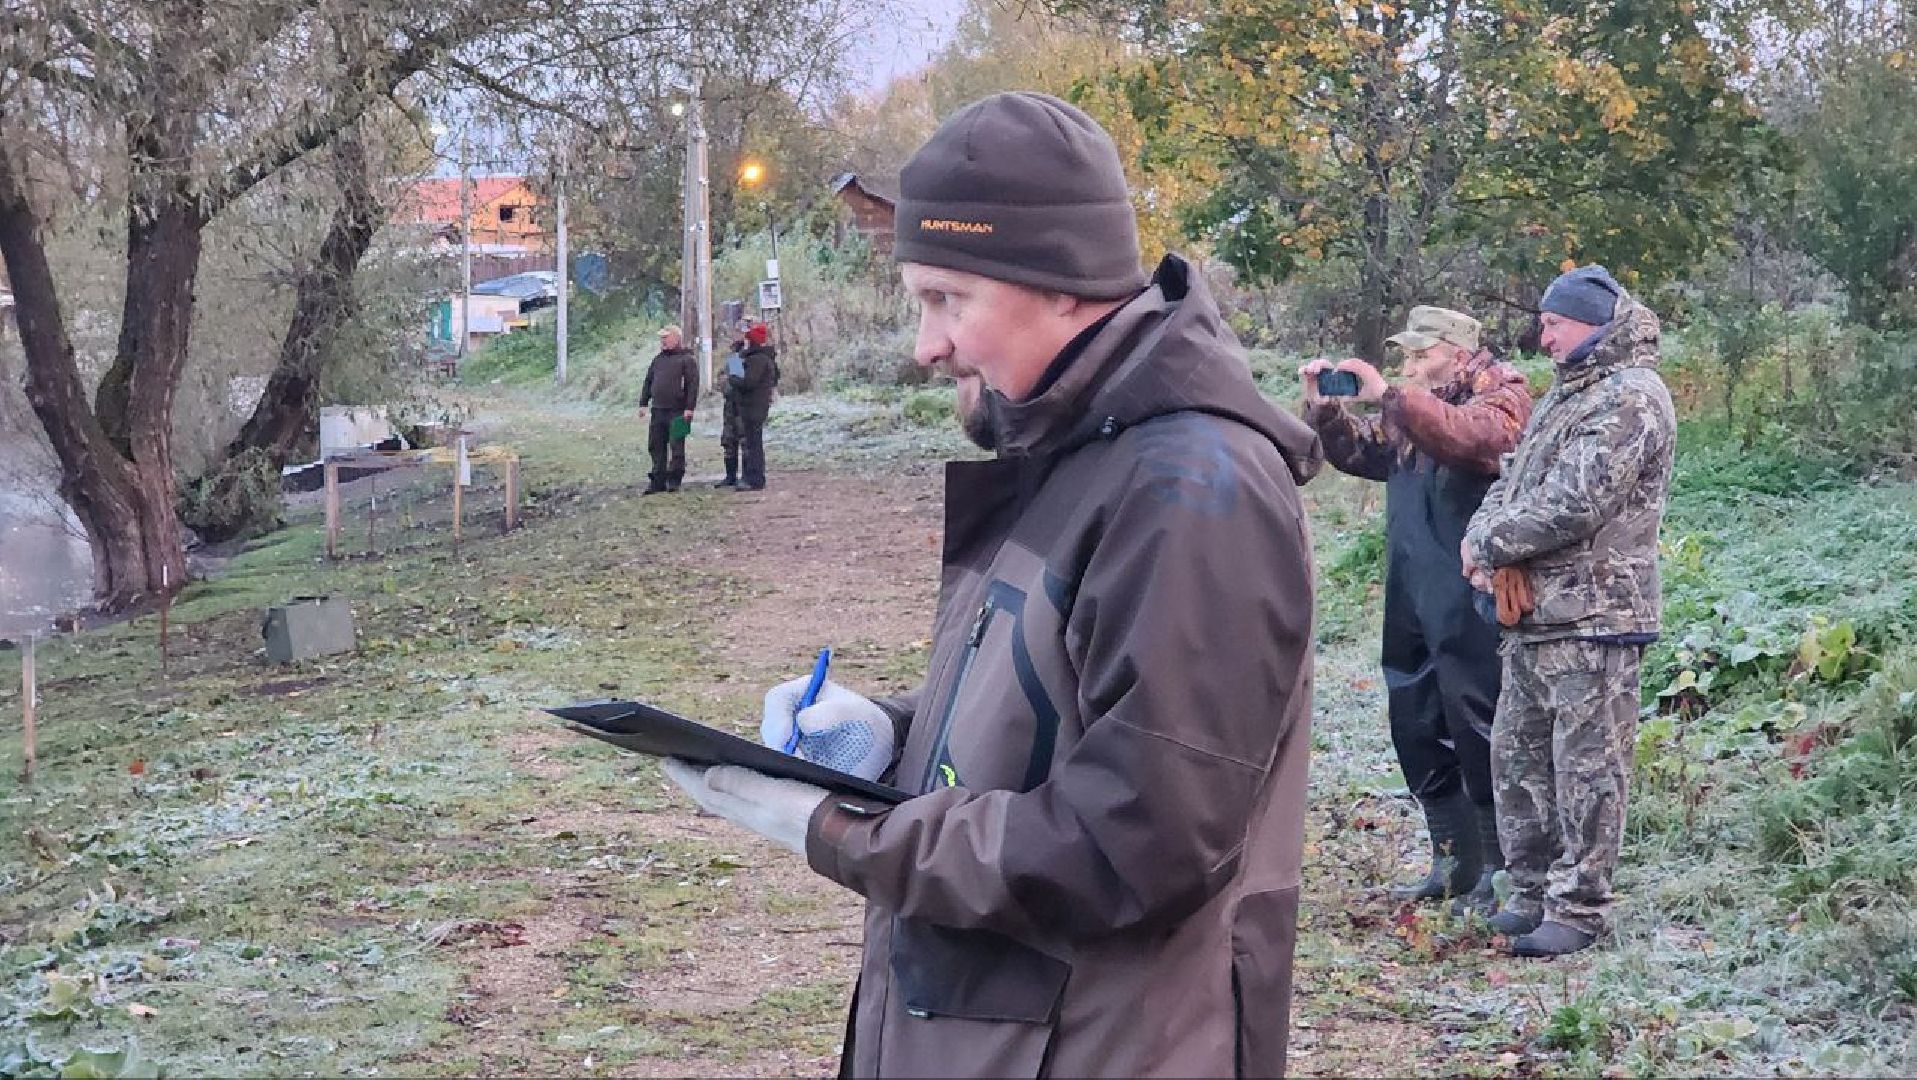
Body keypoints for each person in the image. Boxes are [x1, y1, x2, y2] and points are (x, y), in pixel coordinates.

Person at [661, 91, 1324, 1077]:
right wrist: (888, 742)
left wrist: (840, 829)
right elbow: (1061, 707)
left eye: (948, 300)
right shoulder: (1076, 453)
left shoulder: (1193, 495)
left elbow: (1135, 839)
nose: (926, 345)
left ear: (1059, 285)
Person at [1461, 265, 1676, 957]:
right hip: (1532, 616)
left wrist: (1491, 544)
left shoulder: (1630, 398)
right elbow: (1511, 479)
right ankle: (1527, 895)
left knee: (1587, 769)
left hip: (1596, 617)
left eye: (1553, 322)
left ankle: (1579, 909)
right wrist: (1478, 540)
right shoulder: (1564, 395)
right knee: (1518, 760)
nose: (1541, 334)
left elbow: (1575, 503)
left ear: (1591, 322)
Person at [1298, 306, 1532, 914]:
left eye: (1420, 354)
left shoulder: (1500, 390)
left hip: (1469, 583)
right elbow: (1366, 457)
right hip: (1412, 579)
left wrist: (1392, 396)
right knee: (1416, 710)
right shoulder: (1416, 399)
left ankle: (1500, 871)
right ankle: (1452, 862)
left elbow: (1478, 440)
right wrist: (1328, 410)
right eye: (1404, 356)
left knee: (1476, 713)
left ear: (1456, 351)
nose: (1409, 365)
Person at [639, 325, 698, 494]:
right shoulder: (658, 360)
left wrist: (689, 408)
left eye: (666, 338)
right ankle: (657, 480)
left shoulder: (687, 360)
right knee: (656, 445)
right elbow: (648, 381)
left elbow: (692, 386)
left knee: (677, 445)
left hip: (679, 411)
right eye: (661, 339)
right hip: (658, 410)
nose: (663, 341)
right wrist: (643, 403)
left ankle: (675, 479)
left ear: (676, 339)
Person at [729, 321, 778, 491]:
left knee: (753, 444)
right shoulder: (756, 357)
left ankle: (755, 478)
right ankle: (751, 477)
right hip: (751, 406)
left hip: (753, 407)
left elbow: (747, 381)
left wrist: (733, 377)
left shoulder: (758, 359)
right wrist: (735, 356)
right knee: (751, 443)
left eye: (748, 338)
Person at [715, 325, 749, 488]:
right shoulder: (733, 355)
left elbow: (738, 380)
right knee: (728, 439)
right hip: (730, 404)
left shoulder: (749, 354)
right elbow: (723, 379)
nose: (735, 336)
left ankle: (746, 476)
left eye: (740, 333)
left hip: (743, 404)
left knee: (745, 440)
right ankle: (730, 476)